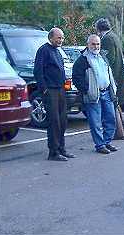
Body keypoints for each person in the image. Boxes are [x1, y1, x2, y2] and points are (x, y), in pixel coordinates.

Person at [33, 28, 76, 161]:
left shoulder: (57, 52)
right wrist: (44, 89)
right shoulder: (44, 50)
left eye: (62, 38)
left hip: (60, 90)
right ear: (51, 38)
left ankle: (61, 148)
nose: (61, 40)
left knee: (63, 120)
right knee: (54, 122)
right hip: (50, 90)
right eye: (58, 38)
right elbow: (38, 71)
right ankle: (53, 152)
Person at [72, 34, 118, 154]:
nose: (96, 46)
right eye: (93, 44)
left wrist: (113, 87)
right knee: (95, 122)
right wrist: (87, 90)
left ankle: (107, 142)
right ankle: (100, 145)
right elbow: (76, 78)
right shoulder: (83, 60)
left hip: (107, 92)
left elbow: (109, 73)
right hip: (93, 95)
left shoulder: (103, 56)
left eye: (97, 44)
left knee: (111, 119)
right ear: (88, 45)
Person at [95, 18, 124, 139]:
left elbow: (108, 60)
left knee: (113, 106)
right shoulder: (114, 36)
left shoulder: (106, 39)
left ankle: (119, 132)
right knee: (116, 106)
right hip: (117, 76)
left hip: (112, 78)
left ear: (99, 29)